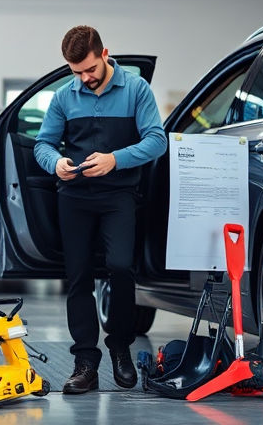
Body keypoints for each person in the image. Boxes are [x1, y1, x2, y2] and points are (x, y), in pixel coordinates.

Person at [33, 25, 168, 394]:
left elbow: (157, 140)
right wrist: (55, 163)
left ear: (104, 53)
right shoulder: (63, 97)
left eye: (89, 69)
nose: (84, 78)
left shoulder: (137, 90)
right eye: (76, 72)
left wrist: (115, 160)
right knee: (78, 279)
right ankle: (85, 364)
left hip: (118, 196)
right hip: (73, 198)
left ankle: (120, 349)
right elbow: (43, 144)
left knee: (121, 267)